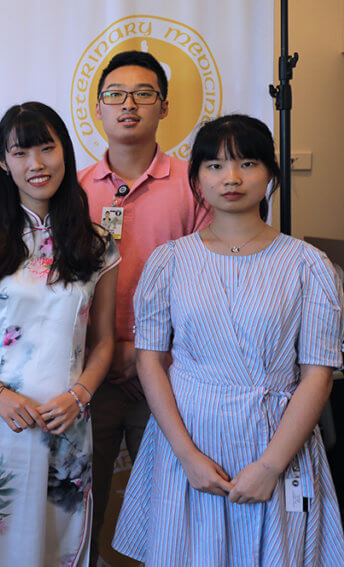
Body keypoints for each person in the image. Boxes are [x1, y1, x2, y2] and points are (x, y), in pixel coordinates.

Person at [113, 114, 344, 564]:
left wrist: (271, 466)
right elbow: (150, 363)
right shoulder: (169, 262)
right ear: (197, 178)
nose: (231, 178)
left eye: (248, 163)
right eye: (215, 166)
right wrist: (187, 456)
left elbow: (318, 375)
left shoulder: (309, 266)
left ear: (271, 175)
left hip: (277, 445)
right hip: (189, 445)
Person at [0, 102, 119, 567]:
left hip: (67, 422)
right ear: (2, 161)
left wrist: (79, 394)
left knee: (56, 545)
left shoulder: (97, 244)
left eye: (47, 148)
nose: (36, 164)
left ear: (65, 151)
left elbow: (103, 341)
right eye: (21, 153)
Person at [77, 50, 210, 563]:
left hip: (174, 376)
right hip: (91, 375)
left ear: (165, 106)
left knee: (171, 510)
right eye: (115, 95)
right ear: (98, 107)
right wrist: (107, 352)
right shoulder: (76, 189)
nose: (128, 105)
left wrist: (149, 351)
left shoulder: (195, 185)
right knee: (83, 508)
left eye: (143, 94)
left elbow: (205, 279)